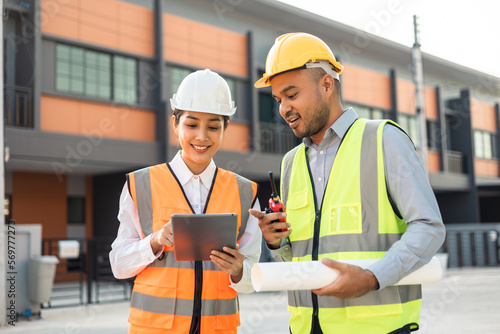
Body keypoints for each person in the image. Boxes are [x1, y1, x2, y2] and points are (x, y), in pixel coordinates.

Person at [250, 32, 446, 334]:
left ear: (326, 84)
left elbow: (429, 228)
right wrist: (276, 241)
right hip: (305, 328)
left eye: (291, 95)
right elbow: (296, 256)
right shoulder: (291, 162)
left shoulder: (383, 140)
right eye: (277, 100)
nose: (283, 109)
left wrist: (371, 276)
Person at [110, 68, 262, 334]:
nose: (202, 136)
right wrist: (154, 241)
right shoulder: (140, 185)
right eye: (191, 124)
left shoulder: (246, 192)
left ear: (226, 127)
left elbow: (251, 279)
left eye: (213, 126)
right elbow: (119, 265)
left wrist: (239, 269)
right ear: (175, 124)